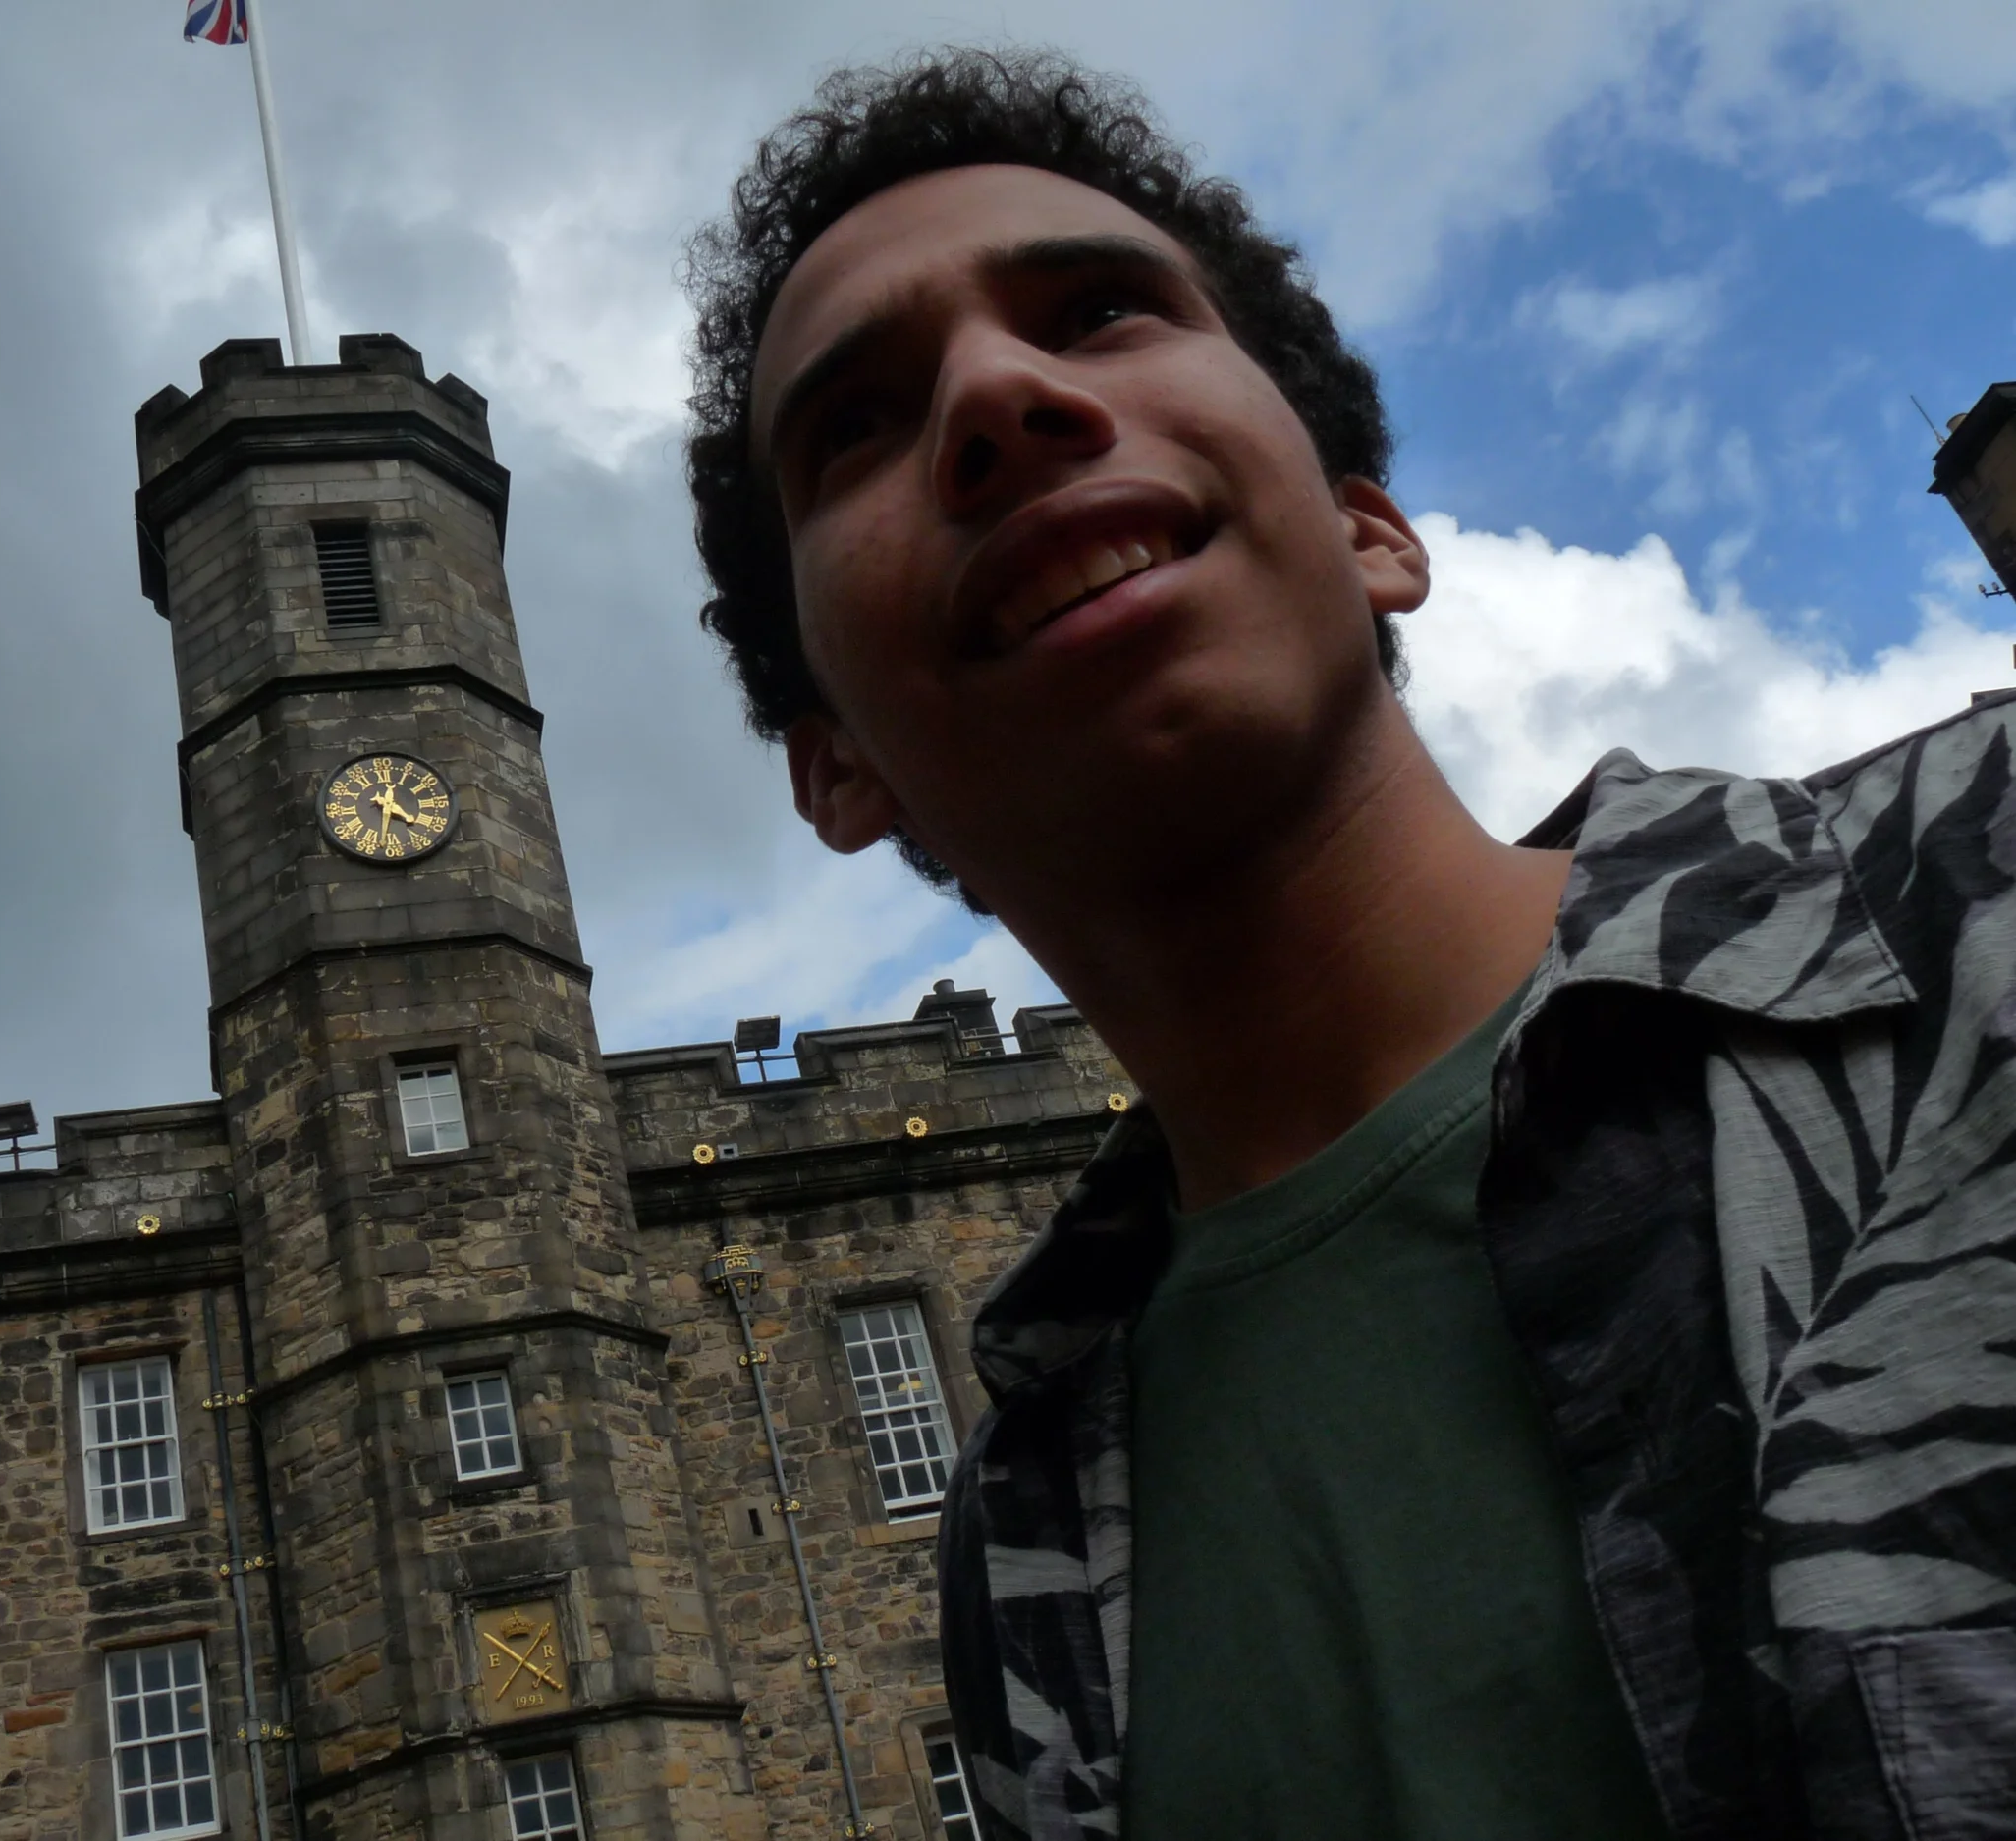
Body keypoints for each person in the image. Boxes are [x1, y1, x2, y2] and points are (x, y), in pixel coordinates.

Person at [681, 45, 2016, 1841]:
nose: (995, 393)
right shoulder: (1028, 1542)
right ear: (834, 763)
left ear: (1371, 529)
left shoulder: (1980, 893)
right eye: (856, 421)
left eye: (1100, 313)